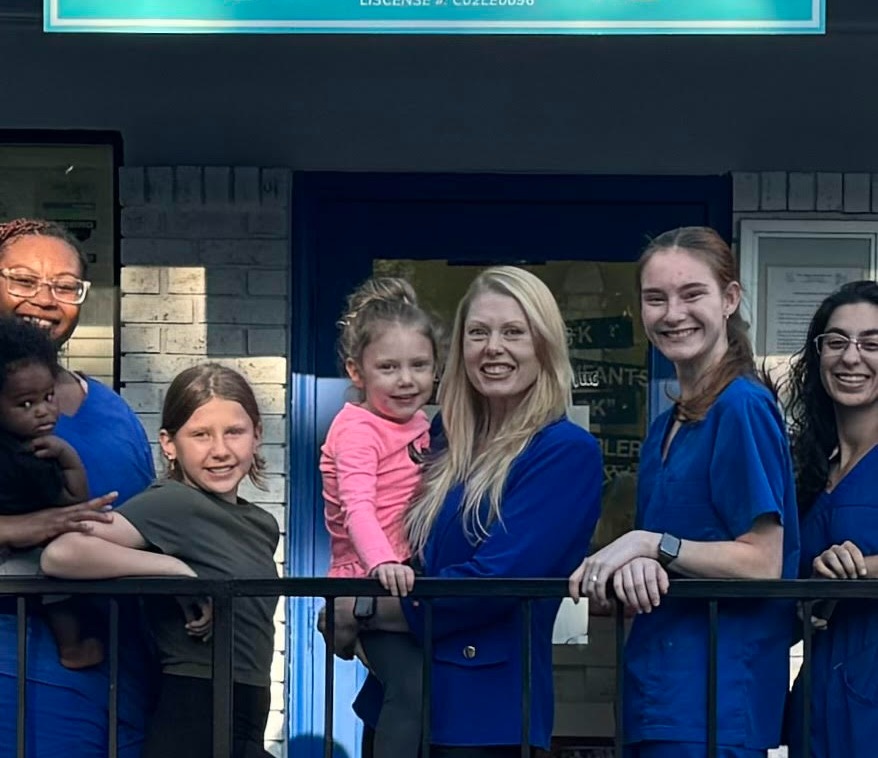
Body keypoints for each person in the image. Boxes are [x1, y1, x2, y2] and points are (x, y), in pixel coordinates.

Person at [334, 266, 603, 757]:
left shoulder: (564, 451)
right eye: (478, 333)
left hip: (484, 718)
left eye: (513, 332)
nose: (492, 347)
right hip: (400, 705)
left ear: (544, 345)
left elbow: (493, 583)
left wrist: (364, 608)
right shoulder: (441, 437)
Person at [569, 226, 799, 758]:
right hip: (658, 692)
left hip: (714, 700)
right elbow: (671, 556)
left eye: (692, 294)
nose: (673, 314)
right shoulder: (665, 426)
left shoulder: (742, 406)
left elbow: (763, 561)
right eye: (656, 298)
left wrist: (652, 544)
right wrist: (636, 564)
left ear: (730, 298)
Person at [42, 363, 280, 758]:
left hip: (246, 712)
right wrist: (175, 571)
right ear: (169, 444)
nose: (220, 450)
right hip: (193, 710)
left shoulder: (262, 523)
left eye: (234, 432)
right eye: (200, 435)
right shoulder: (172, 503)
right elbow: (61, 554)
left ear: (257, 435)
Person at [0, 218, 156, 757]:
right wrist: (24, 528)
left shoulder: (112, 410)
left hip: (120, 679)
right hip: (15, 679)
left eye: (65, 286)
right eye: (23, 280)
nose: (45, 300)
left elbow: (140, 522)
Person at [321, 277, 440, 758]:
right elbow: (358, 507)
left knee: (414, 690)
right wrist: (381, 565)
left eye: (419, 365)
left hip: (407, 583)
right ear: (357, 371)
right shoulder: (357, 429)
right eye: (388, 367)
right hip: (368, 582)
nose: (406, 380)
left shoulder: (422, 425)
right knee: (411, 688)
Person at [784, 280, 878, 758]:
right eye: (836, 341)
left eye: (872, 343)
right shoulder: (807, 465)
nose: (851, 357)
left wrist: (858, 569)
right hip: (819, 696)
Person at [0, 315, 104, 669]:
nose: (44, 411)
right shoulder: (27, 458)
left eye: (48, 397)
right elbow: (73, 503)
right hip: (14, 564)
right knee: (59, 572)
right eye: (26, 404)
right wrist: (68, 458)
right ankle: (71, 648)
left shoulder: (27, 448)